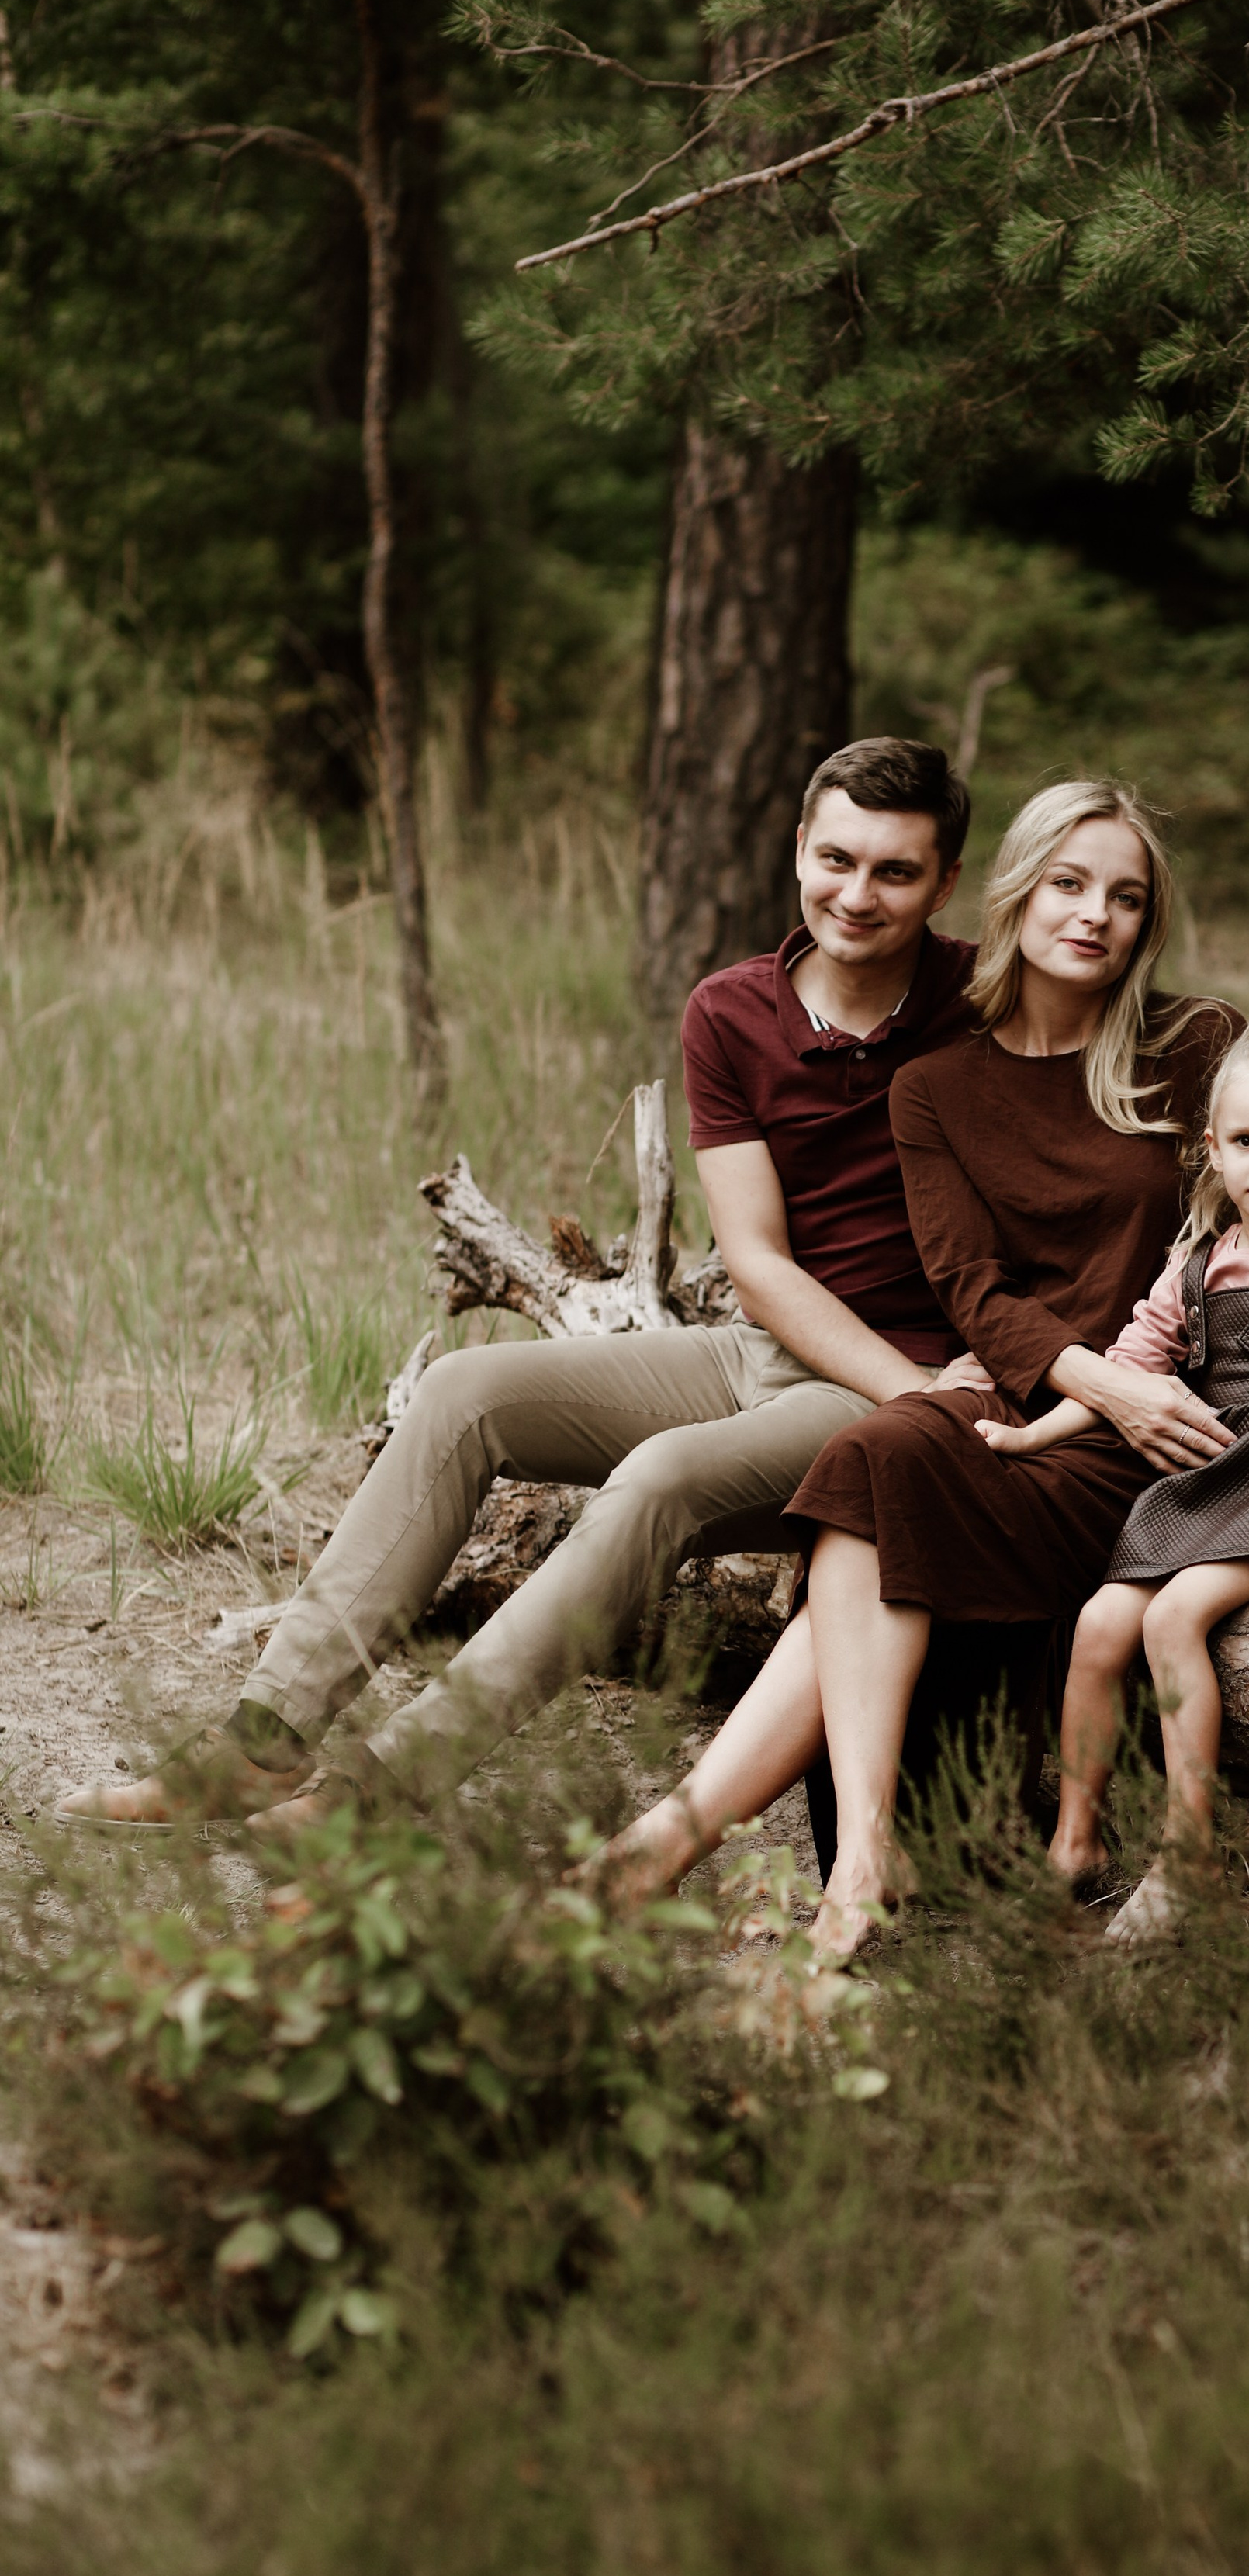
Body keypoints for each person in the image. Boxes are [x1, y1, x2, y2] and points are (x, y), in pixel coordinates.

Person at [55, 738, 991, 1836]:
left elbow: (1150, 1043)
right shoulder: (732, 1012)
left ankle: (383, 1796)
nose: (858, 894)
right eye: (837, 860)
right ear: (797, 851)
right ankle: (259, 1749)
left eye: (895, 872)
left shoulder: (987, 1002)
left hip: (894, 1387)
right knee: (468, 1390)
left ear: (943, 885)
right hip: (768, 1347)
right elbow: (761, 1265)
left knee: (661, 1475)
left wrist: (929, 1391)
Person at [588, 781, 1249, 1948]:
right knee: (880, 1451)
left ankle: (681, 1840)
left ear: (1149, 920)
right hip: (1044, 1411)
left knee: (879, 1475)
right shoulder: (937, 1085)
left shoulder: (1194, 1046)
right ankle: (854, 1854)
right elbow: (972, 1292)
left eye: (1125, 896)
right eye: (1068, 884)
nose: (1094, 915)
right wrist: (1102, 1384)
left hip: (1187, 1445)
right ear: (1016, 891)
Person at [978, 1004, 1249, 1945]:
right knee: (1099, 1625)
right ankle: (1077, 1838)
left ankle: (1190, 1858)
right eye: (1248, 1142)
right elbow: (1123, 1369)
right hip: (1209, 1482)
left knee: (1174, 1617)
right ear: (1211, 1148)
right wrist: (1031, 1439)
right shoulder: (1194, 1264)